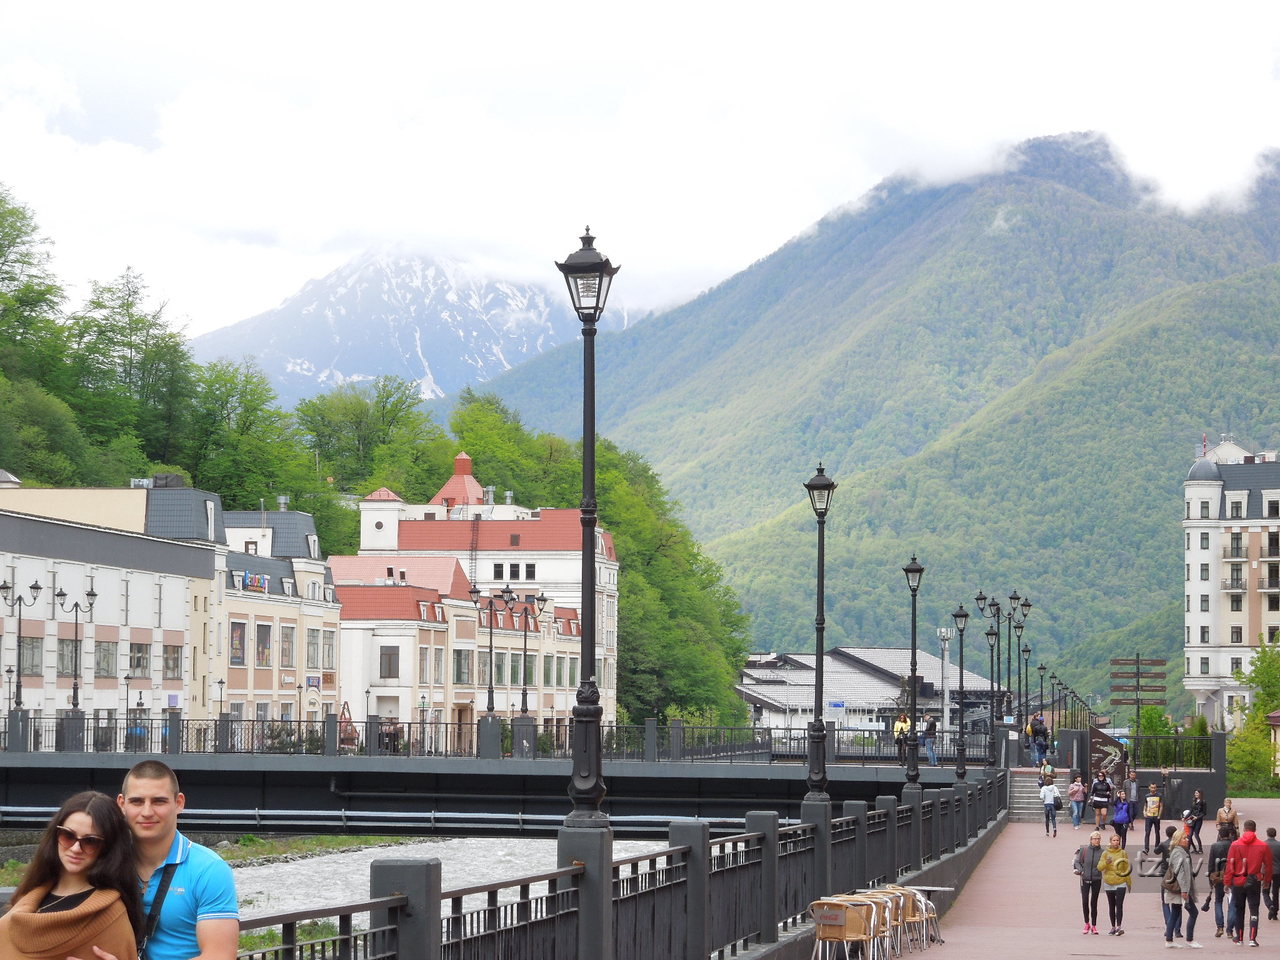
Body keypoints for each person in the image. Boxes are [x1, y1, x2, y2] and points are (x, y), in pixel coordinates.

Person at [81, 760, 239, 960]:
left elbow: (220, 956)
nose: (147, 812)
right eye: (137, 801)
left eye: (158, 801)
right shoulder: (106, 862)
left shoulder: (209, 870)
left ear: (179, 803)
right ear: (121, 804)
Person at [0, 791, 141, 960]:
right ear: (55, 834)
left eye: (90, 841)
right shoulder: (24, 902)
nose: (75, 848)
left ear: (108, 848)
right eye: (68, 835)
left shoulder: (111, 917)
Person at [1225, 817, 1273, 946]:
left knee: (1239, 909)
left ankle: (1239, 938)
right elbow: (1268, 865)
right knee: (1254, 909)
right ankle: (1252, 938)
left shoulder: (1235, 845)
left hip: (1238, 880)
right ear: (1255, 830)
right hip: (1254, 880)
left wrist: (1227, 881)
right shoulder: (1263, 846)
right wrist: (1267, 880)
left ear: (1244, 829)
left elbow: (1230, 865)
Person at [1164, 829, 1200, 948]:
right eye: (1184, 838)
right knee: (1194, 912)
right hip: (1180, 888)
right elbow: (1180, 872)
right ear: (1178, 840)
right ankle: (1189, 939)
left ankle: (1169, 940)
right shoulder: (1178, 853)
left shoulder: (1180, 851)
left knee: (1175, 912)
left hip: (1180, 888)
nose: (1187, 839)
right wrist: (1185, 890)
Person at [1099, 832, 1133, 935]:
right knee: (1111, 905)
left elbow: (1126, 868)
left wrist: (1129, 882)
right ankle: (1113, 926)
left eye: (1117, 840)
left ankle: (1119, 926)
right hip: (1109, 882)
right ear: (1110, 842)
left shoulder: (1123, 853)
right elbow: (1099, 867)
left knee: (1119, 904)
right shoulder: (1105, 853)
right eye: (1114, 840)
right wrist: (1106, 863)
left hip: (1120, 881)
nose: (1116, 842)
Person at [1207, 823, 1236, 940]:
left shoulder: (1214, 846)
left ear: (1219, 835)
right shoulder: (1234, 845)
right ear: (1229, 835)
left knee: (1218, 901)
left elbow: (1210, 864)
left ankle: (1220, 927)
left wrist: (1210, 878)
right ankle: (1230, 930)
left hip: (1218, 876)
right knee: (1232, 903)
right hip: (1232, 876)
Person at [1074, 830, 1105, 934]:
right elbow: (1077, 862)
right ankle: (1087, 923)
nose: (1096, 840)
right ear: (1091, 840)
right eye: (1095, 839)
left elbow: (1104, 865)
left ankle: (1094, 925)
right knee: (1085, 901)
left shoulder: (1102, 852)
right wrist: (1081, 870)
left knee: (1094, 903)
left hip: (1096, 879)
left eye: (1098, 839)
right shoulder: (1084, 850)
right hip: (1085, 879)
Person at [1264, 826, 1280, 921]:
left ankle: (1270, 905)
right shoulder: (1279, 845)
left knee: (1265, 891)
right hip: (1278, 871)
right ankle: (1275, 913)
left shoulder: (1263, 844)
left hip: (1266, 872)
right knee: (1275, 892)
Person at [1143, 782, 1164, 853]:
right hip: (1148, 816)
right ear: (1149, 787)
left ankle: (1157, 847)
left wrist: (1159, 815)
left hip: (1156, 816)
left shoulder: (1159, 795)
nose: (1153, 789)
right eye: (1152, 787)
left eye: (1154, 787)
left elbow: (1161, 806)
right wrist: (1144, 812)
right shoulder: (1146, 796)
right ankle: (1146, 848)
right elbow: (1145, 805)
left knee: (1157, 832)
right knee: (1147, 832)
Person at [1188, 789, 1207, 853]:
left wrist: (1197, 817)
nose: (1195, 794)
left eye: (1197, 793)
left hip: (1198, 820)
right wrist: (1185, 817)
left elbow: (1204, 813)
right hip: (1192, 820)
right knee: (1190, 835)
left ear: (1200, 794)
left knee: (1196, 834)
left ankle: (1200, 849)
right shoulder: (1193, 801)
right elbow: (1191, 810)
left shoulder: (1203, 802)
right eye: (1195, 793)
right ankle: (1190, 848)